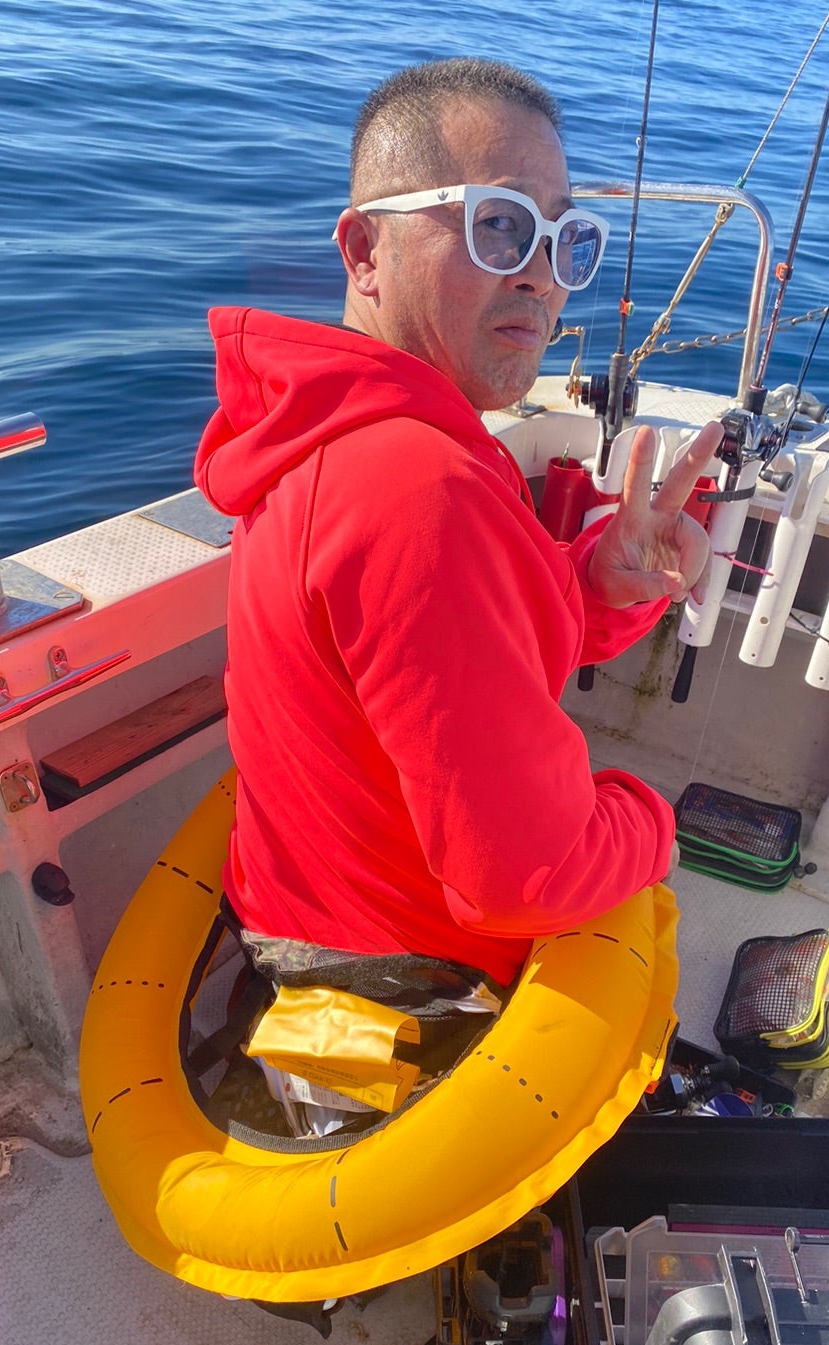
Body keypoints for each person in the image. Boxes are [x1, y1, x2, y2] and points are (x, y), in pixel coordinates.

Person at [194, 58, 722, 996]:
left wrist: (595, 587)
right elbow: (528, 883)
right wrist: (655, 820)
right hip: (410, 985)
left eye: (566, 239)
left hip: (302, 916)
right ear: (365, 250)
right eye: (500, 225)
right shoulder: (416, 487)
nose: (543, 277)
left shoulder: (330, 428)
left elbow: (440, 648)